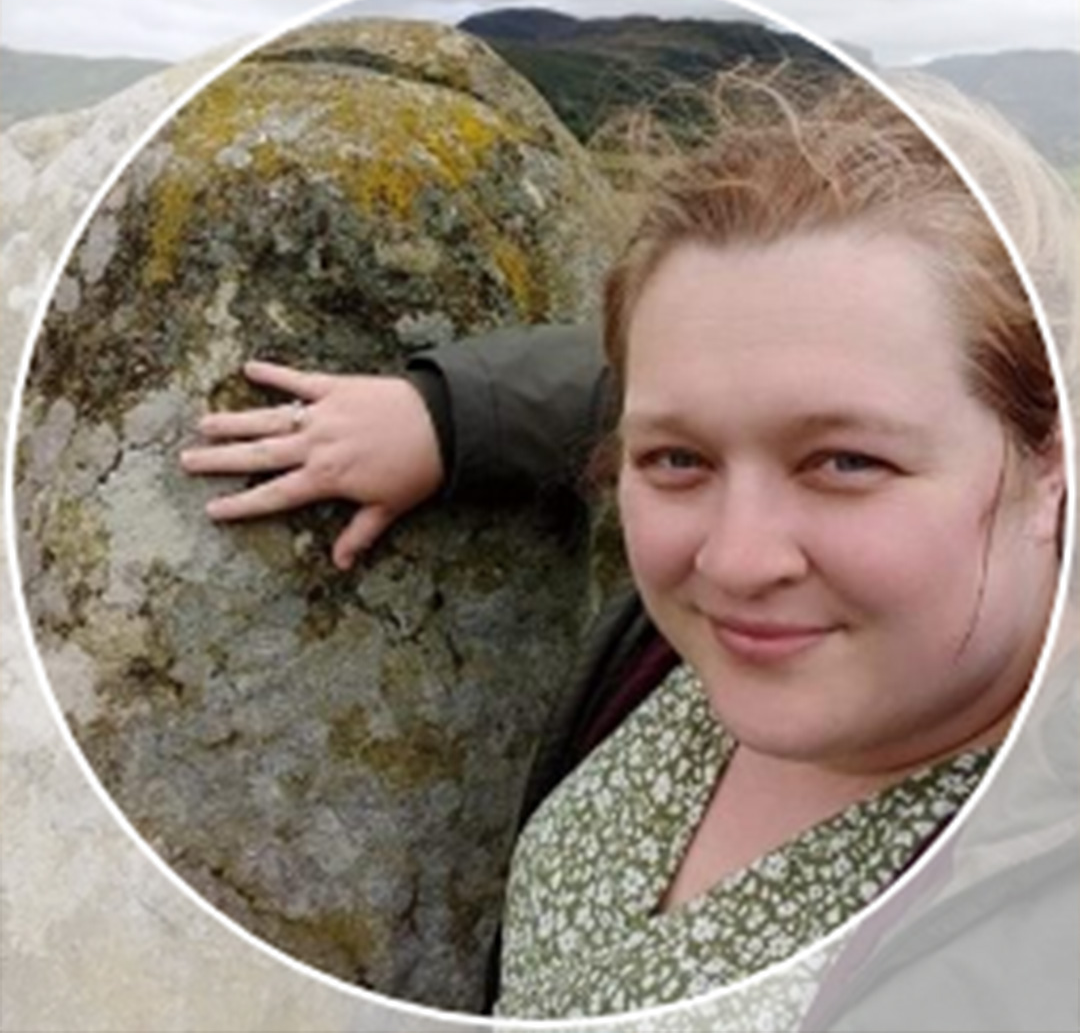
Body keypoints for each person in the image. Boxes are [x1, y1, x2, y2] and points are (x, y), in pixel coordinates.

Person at [180, 73, 1070, 1022]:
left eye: (846, 462)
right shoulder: (707, 639)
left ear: (1051, 453)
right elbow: (711, 371)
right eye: (678, 458)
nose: (732, 560)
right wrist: (451, 416)